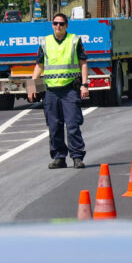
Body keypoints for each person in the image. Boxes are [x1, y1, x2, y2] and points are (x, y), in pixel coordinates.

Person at [29, 12, 89, 169]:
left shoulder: (74, 40)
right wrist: (32, 87)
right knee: (54, 126)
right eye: (55, 23)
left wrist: (84, 85)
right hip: (51, 91)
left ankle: (77, 157)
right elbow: (39, 66)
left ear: (66, 25)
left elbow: (83, 63)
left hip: (70, 89)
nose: (58, 26)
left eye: (61, 24)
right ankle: (59, 157)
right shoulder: (45, 42)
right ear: (52, 25)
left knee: (72, 124)